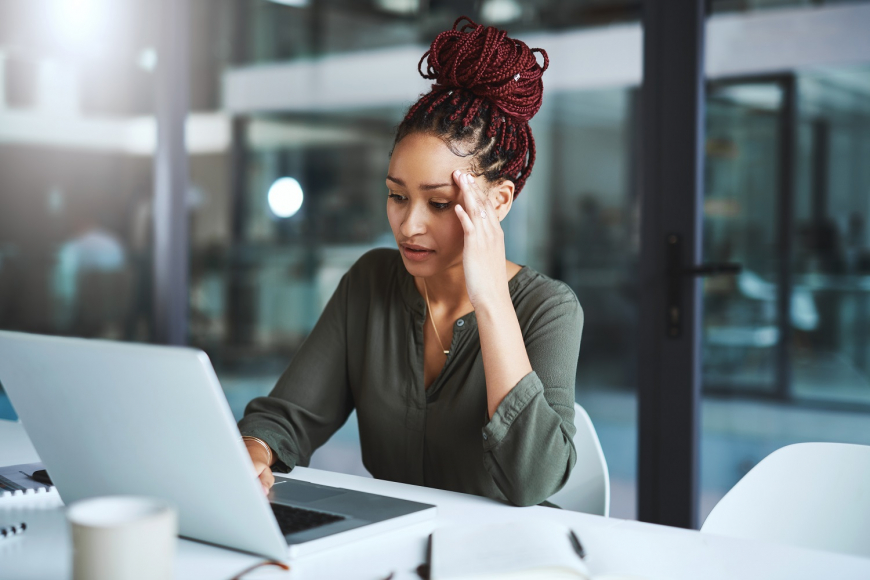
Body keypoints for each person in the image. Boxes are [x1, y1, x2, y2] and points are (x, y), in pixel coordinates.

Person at [238, 16, 583, 507]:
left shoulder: (549, 307)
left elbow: (534, 480)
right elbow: (286, 417)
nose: (408, 225)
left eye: (439, 203)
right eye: (396, 196)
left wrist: (490, 301)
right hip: (394, 546)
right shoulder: (371, 282)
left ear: (500, 202)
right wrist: (255, 451)